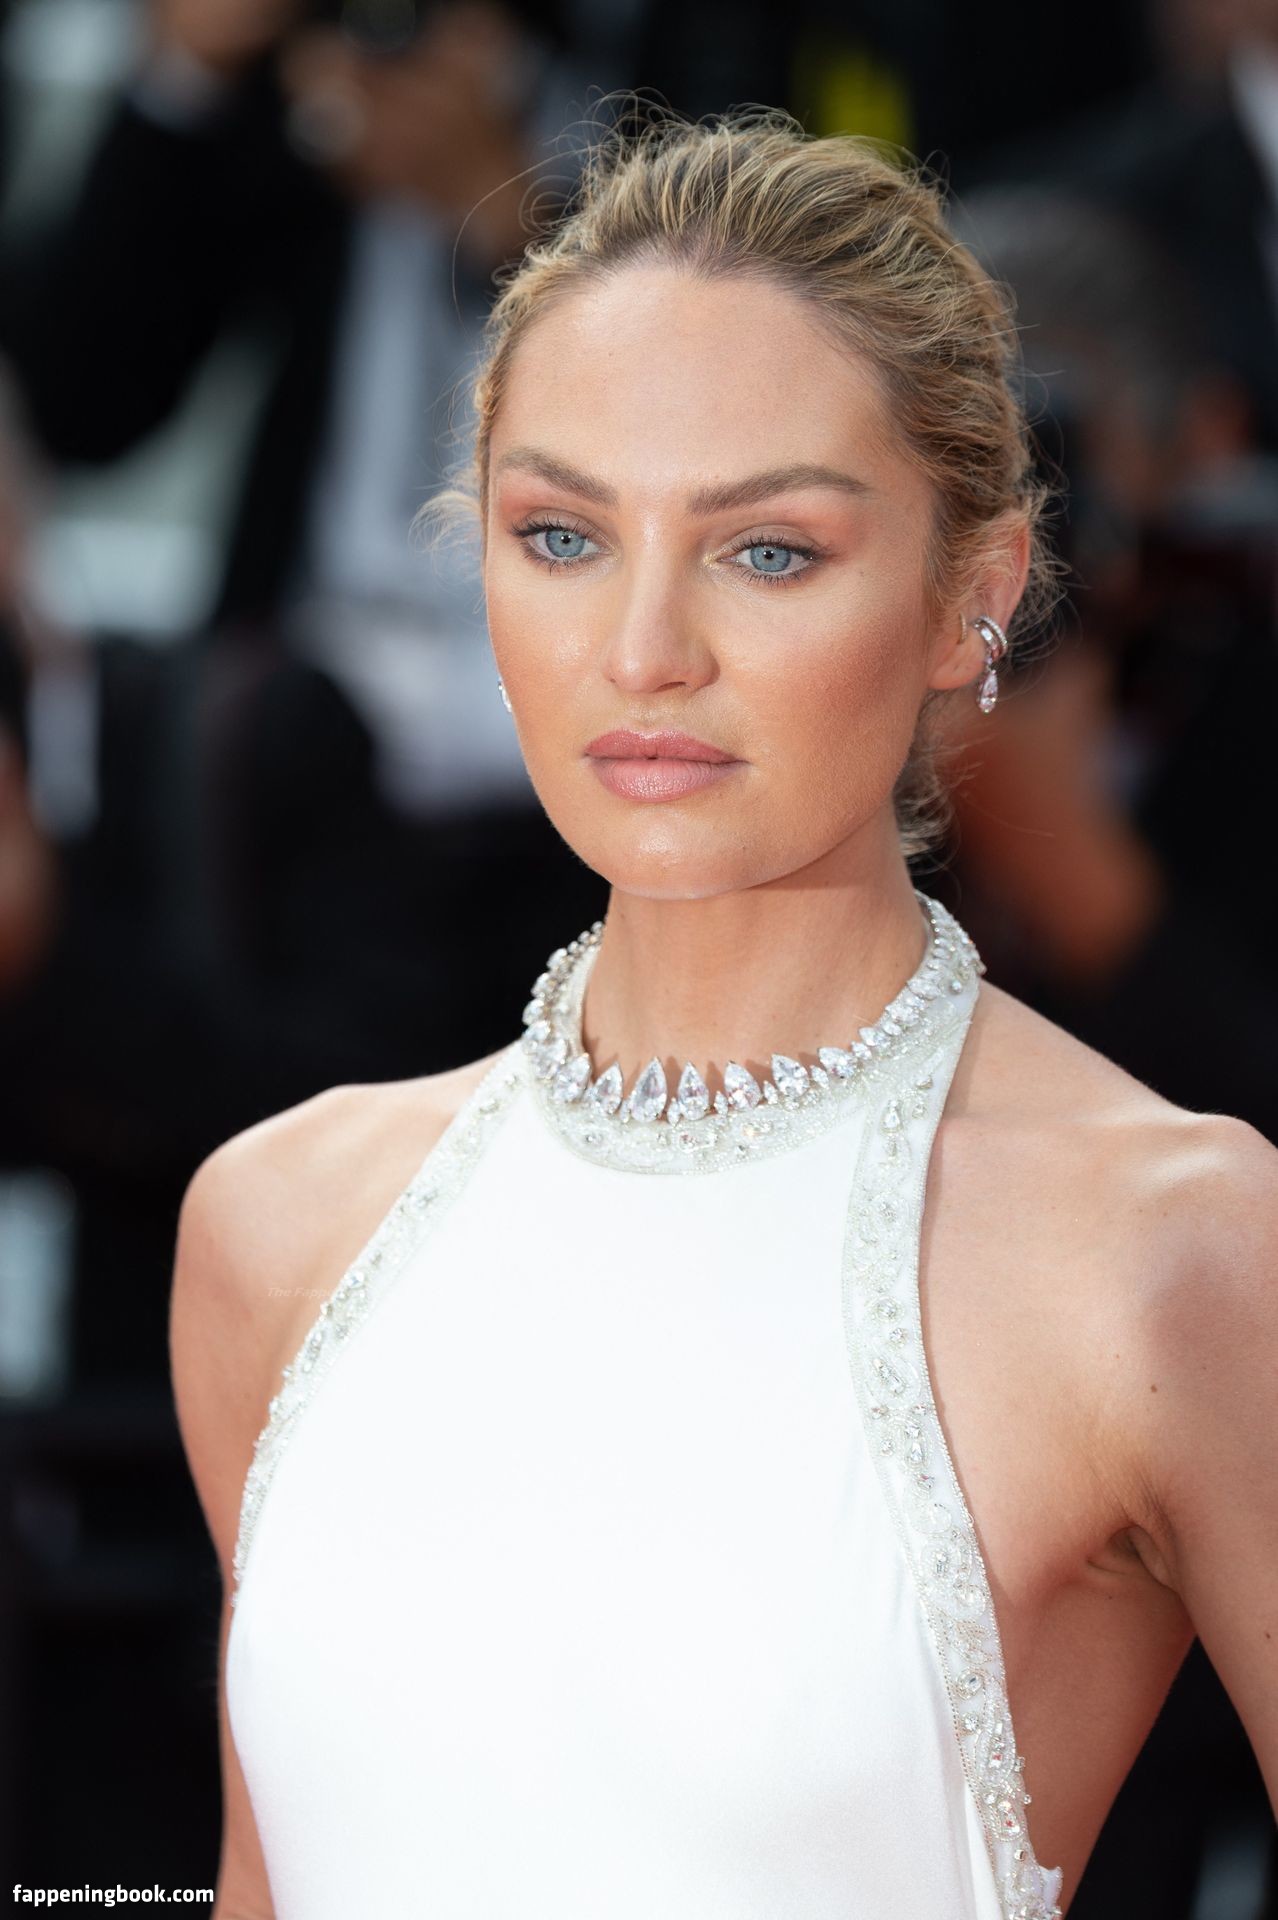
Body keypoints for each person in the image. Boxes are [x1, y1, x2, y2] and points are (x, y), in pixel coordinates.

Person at [169, 108, 1278, 1920]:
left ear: (973, 598)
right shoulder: (280, 1223)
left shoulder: (1167, 1247)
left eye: (765, 551)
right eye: (558, 535)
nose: (641, 652)